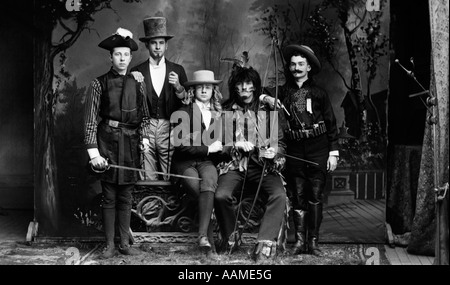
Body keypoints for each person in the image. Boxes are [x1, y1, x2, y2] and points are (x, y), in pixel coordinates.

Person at [260, 44, 339, 256]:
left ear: (309, 67)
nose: (296, 68)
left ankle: (313, 243)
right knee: (298, 196)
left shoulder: (320, 93)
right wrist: (268, 98)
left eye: (301, 64)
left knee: (315, 195)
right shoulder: (282, 91)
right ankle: (299, 242)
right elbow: (257, 94)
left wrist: (333, 153)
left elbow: (331, 123)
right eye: (293, 64)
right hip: (294, 149)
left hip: (318, 148)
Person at [84, 28, 151, 258]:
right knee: (110, 195)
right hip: (108, 142)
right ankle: (109, 245)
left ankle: (124, 244)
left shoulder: (137, 82)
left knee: (126, 197)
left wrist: (143, 139)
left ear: (131, 58)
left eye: (126, 55)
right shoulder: (98, 83)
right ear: (110, 57)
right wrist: (94, 153)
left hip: (131, 144)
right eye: (117, 55)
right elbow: (91, 121)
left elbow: (144, 116)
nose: (122, 59)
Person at [214, 67, 288, 263]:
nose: (245, 90)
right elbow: (218, 145)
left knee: (279, 195)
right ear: (235, 88)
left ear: (255, 87)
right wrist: (234, 145)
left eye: (249, 86)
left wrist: (274, 152)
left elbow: (281, 144)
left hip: (263, 167)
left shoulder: (267, 111)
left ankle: (264, 243)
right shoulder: (226, 110)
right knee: (221, 195)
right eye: (240, 86)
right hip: (235, 165)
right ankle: (231, 237)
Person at [170, 70, 223, 255]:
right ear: (192, 90)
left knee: (209, 183)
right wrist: (208, 148)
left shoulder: (219, 114)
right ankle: (210, 246)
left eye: (207, 87)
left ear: (213, 91)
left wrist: (230, 147)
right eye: (200, 87)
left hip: (206, 163)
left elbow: (221, 145)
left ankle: (203, 239)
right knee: (201, 190)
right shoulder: (182, 112)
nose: (203, 90)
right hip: (185, 164)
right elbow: (181, 146)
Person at [131, 16, 188, 181]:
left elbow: (188, 101)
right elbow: (130, 102)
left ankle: (168, 206)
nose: (157, 47)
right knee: (147, 172)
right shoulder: (137, 71)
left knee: (169, 173)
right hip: (145, 126)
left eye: (161, 43)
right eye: (154, 43)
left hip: (169, 126)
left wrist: (178, 87)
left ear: (166, 45)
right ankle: (150, 206)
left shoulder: (178, 69)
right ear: (147, 45)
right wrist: (131, 79)